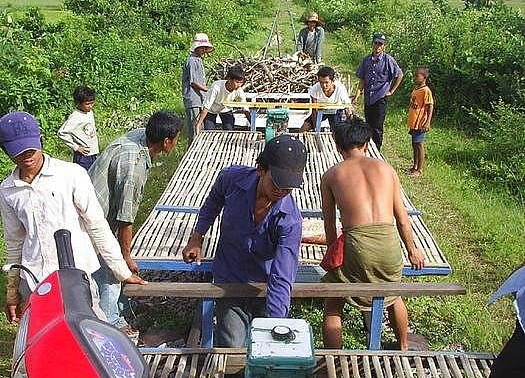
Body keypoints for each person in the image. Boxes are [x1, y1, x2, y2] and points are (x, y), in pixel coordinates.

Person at [0, 111, 145, 327]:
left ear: (41, 140)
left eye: (31, 150)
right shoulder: (8, 190)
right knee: (44, 336)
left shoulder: (71, 175)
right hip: (35, 279)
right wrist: (13, 289)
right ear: (5, 151)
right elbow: (14, 242)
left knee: (91, 332)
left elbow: (97, 225)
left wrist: (121, 271)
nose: (27, 157)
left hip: (78, 277)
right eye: (19, 153)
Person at [182, 135, 307, 347]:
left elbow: (283, 274)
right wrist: (197, 237)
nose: (281, 191)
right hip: (230, 277)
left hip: (265, 284)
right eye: (276, 183)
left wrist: (277, 324)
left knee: (265, 344)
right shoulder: (231, 179)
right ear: (261, 169)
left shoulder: (290, 221)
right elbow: (213, 203)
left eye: (287, 188)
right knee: (231, 345)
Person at [320, 117, 425, 351]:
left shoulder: (331, 175)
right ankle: (404, 347)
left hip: (358, 246)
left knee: (334, 302)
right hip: (389, 245)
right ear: (366, 144)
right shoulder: (387, 170)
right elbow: (402, 219)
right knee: (394, 295)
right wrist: (412, 249)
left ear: (338, 146)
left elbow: (329, 225)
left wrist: (332, 255)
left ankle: (333, 356)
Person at [89, 111, 182, 328]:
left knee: (110, 266)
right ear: (166, 141)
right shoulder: (133, 166)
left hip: (97, 209)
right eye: (176, 138)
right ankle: (111, 323)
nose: (177, 142)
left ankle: (119, 307)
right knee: (112, 268)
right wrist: (126, 256)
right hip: (93, 220)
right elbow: (125, 217)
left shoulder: (141, 136)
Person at [356, 32, 403, 150]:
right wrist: (358, 92)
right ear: (372, 44)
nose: (378, 46)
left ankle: (376, 150)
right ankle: (367, 147)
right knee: (368, 124)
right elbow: (362, 78)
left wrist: (391, 91)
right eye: (376, 43)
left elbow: (399, 74)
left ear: (384, 46)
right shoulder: (366, 60)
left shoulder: (388, 60)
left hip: (380, 97)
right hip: (368, 97)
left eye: (380, 44)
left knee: (377, 126)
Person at [194, 65, 249, 133]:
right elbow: (206, 106)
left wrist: (252, 124)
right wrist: (198, 124)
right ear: (229, 79)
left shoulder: (239, 90)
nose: (239, 85)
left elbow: (245, 108)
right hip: (211, 110)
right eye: (237, 82)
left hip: (226, 109)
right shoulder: (216, 86)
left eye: (241, 83)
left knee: (230, 131)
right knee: (209, 132)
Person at [182, 32, 214, 145]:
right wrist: (209, 89)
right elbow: (194, 82)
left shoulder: (198, 60)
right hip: (193, 99)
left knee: (200, 128)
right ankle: (191, 154)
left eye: (205, 48)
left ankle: (199, 150)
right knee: (194, 129)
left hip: (200, 99)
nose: (204, 50)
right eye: (202, 48)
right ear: (197, 47)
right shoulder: (192, 60)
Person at [58, 85, 99, 171]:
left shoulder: (89, 112)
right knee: (82, 178)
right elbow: (62, 133)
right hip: (83, 157)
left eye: (92, 103)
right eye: (87, 104)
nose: (90, 106)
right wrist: (76, 147)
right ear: (78, 103)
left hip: (93, 153)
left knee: (93, 177)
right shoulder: (75, 117)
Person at [300, 65, 353, 133]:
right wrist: (316, 127)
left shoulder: (340, 88)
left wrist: (350, 122)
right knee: (304, 127)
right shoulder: (314, 89)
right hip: (320, 110)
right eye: (321, 82)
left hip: (336, 111)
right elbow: (314, 110)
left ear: (332, 81)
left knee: (337, 132)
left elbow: (348, 106)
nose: (324, 86)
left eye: (326, 82)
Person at [407, 66, 434, 176]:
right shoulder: (416, 89)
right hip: (414, 122)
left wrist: (427, 122)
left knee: (419, 144)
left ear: (424, 77)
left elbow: (430, 106)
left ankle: (419, 169)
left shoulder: (426, 91)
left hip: (420, 123)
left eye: (417, 76)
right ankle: (415, 166)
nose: (415, 78)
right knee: (414, 144)